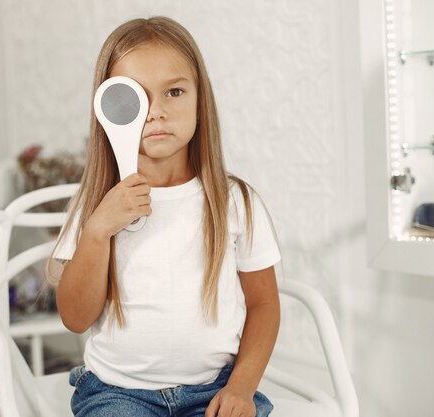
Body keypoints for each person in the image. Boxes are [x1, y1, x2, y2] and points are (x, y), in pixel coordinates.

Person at [49, 16, 281, 417]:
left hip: (214, 390)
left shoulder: (236, 202)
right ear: (108, 111)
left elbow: (264, 305)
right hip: (117, 393)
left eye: (173, 91)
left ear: (199, 101)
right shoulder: (95, 204)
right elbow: (75, 317)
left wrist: (242, 388)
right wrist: (98, 230)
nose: (156, 112)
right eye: (133, 98)